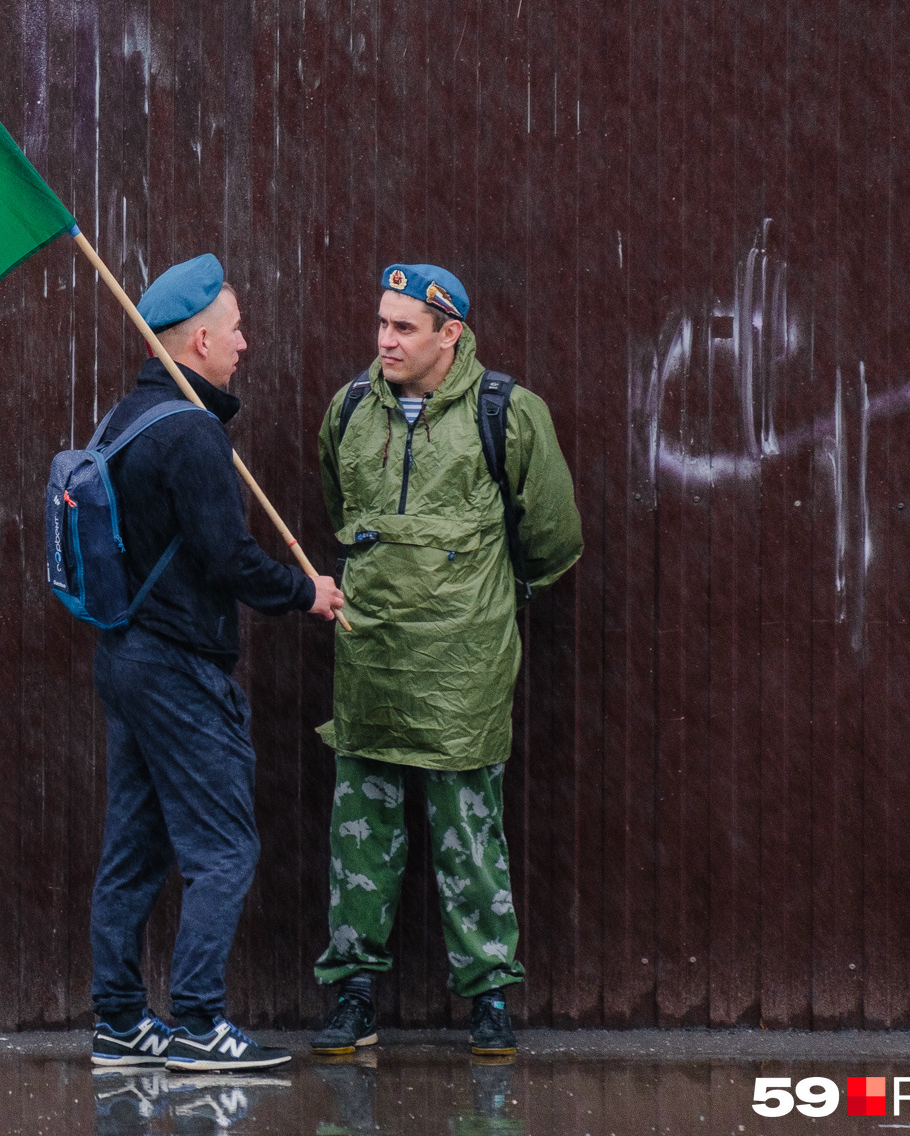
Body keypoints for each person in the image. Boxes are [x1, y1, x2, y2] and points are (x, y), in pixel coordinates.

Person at [310, 263, 581, 1057]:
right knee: (360, 833)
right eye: (382, 324)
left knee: (470, 834)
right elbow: (341, 512)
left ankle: (490, 999)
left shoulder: (509, 414)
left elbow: (553, 537)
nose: (385, 340)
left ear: (450, 334)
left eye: (404, 328)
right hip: (370, 662)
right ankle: (352, 996)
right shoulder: (351, 411)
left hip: (464, 668)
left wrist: (485, 597)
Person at [87, 253, 347, 1073]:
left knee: (134, 850)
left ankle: (120, 1022)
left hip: (125, 659)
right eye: (234, 331)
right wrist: (306, 594)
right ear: (198, 340)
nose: (245, 344)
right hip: (178, 671)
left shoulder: (123, 421)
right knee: (224, 849)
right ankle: (198, 1023)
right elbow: (227, 558)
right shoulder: (193, 434)